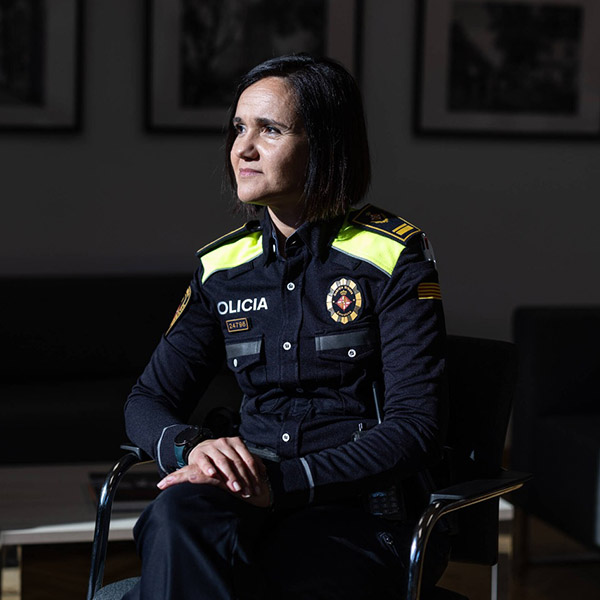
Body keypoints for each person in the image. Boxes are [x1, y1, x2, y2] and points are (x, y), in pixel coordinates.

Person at [123, 53, 449, 600]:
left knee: (249, 575)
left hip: (357, 510)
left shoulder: (393, 257)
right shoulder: (222, 269)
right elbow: (147, 400)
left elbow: (416, 427)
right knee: (175, 516)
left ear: (325, 147)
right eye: (239, 129)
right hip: (247, 494)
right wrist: (190, 449)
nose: (242, 149)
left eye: (269, 130)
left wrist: (280, 485)